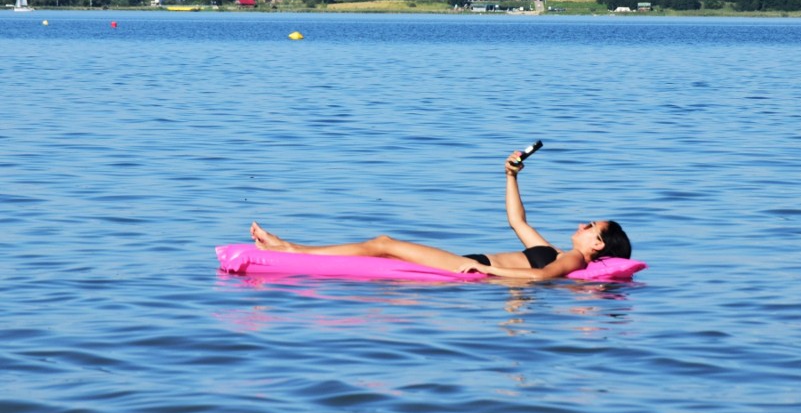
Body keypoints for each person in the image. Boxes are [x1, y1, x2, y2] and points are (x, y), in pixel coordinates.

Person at [250, 151, 632, 280]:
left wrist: (487, 272)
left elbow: (540, 277)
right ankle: (292, 246)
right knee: (382, 247)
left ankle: (290, 249)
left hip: (469, 266)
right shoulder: (554, 249)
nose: (581, 223)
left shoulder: (570, 259)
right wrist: (510, 176)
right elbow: (517, 222)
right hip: (470, 262)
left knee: (384, 244)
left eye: (590, 226)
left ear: (597, 244)